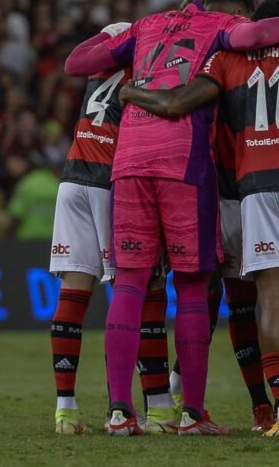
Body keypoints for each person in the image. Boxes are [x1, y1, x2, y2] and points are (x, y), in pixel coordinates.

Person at [62, 0, 279, 436]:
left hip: (129, 162)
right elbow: (258, 36)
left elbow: (77, 63)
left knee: (131, 283)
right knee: (194, 288)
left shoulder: (146, 25)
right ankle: (192, 414)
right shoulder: (226, 25)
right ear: (235, 11)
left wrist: (110, 35)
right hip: (184, 164)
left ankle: (119, 412)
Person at [121, 0, 279, 439]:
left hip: (255, 188)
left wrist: (132, 91)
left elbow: (178, 103)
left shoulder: (227, 58)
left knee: (269, 299)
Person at [47, 49, 179, 437]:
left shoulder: (101, 58)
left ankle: (65, 412)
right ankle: (154, 408)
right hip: (112, 180)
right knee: (144, 287)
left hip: (72, 177)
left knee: (73, 293)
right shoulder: (151, 62)